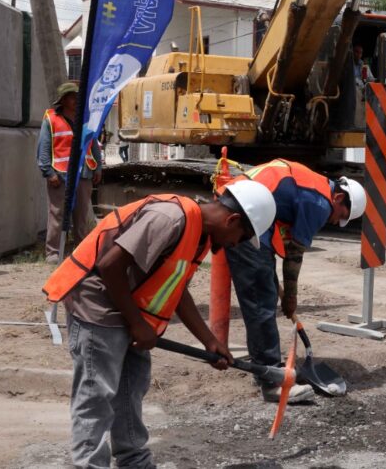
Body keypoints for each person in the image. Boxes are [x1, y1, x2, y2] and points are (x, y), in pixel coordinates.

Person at [42, 180, 277, 469]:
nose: (233, 245)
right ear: (233, 220)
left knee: (131, 390)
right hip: (99, 307)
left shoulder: (200, 235)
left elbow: (177, 289)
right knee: (96, 397)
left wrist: (209, 340)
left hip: (131, 312)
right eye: (240, 238)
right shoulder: (170, 218)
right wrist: (138, 325)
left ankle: (135, 463)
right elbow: (110, 266)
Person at [225, 159, 366, 403]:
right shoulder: (319, 202)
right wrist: (290, 296)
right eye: (340, 216)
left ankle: (262, 369)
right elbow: (294, 253)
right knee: (262, 302)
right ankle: (271, 380)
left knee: (262, 295)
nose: (335, 222)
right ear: (339, 199)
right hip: (244, 216)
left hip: (244, 208)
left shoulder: (313, 183)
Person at [38, 82, 103, 263]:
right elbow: (43, 149)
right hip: (60, 175)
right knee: (57, 214)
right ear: (64, 100)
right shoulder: (50, 120)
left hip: (84, 174)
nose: (76, 100)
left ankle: (80, 251)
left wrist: (98, 166)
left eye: (77, 97)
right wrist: (48, 172)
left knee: (81, 215)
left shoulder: (85, 120)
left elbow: (93, 144)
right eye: (72, 97)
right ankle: (53, 253)